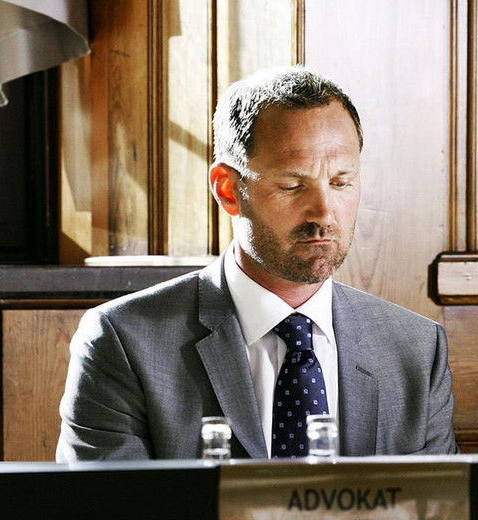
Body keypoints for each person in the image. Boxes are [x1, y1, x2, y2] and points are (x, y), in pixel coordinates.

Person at [56, 66, 457, 462]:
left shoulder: (416, 349)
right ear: (228, 190)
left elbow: (439, 503)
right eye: (292, 185)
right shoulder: (125, 341)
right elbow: (109, 503)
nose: (324, 211)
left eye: (340, 182)